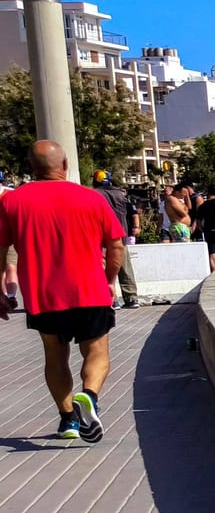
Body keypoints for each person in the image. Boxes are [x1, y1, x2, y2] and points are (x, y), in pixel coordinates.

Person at [0, 141, 124, 442]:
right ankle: (90, 398)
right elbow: (116, 245)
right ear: (65, 165)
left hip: (43, 296)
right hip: (90, 291)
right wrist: (109, 278)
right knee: (96, 352)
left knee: (55, 356)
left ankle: (68, 420)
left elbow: (1, 249)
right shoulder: (91, 199)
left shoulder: (12, 202)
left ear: (30, 167)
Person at [91, 171, 140, 308]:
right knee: (125, 268)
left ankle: (112, 300)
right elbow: (133, 212)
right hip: (121, 237)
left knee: (105, 269)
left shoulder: (94, 194)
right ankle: (131, 298)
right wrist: (135, 227)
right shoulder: (121, 194)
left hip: (102, 238)